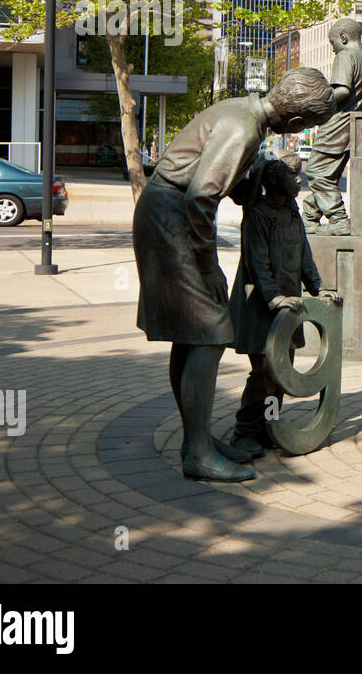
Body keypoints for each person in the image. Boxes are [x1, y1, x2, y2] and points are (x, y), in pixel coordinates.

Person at [132, 68, 335, 482]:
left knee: (192, 333)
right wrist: (209, 268)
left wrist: (253, 174)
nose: (302, 133)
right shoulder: (244, 129)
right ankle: (199, 453)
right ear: (296, 122)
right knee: (212, 331)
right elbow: (201, 197)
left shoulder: (244, 115)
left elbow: (231, 190)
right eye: (308, 127)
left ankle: (198, 438)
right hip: (171, 219)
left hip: (163, 213)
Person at [227, 155, 336, 458]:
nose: (298, 179)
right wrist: (273, 297)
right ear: (276, 181)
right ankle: (245, 430)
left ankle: (270, 424)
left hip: (288, 306)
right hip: (260, 306)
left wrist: (319, 287)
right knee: (264, 370)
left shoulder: (291, 213)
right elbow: (257, 262)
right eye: (292, 176)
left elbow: (304, 257)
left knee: (281, 372)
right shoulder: (258, 214)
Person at [301, 18, 362, 236]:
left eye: (333, 43)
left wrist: (318, 102)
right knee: (329, 175)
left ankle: (338, 219)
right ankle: (309, 217)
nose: (333, 49)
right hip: (354, 125)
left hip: (338, 124)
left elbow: (342, 90)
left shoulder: (346, 56)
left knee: (315, 171)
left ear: (343, 38)